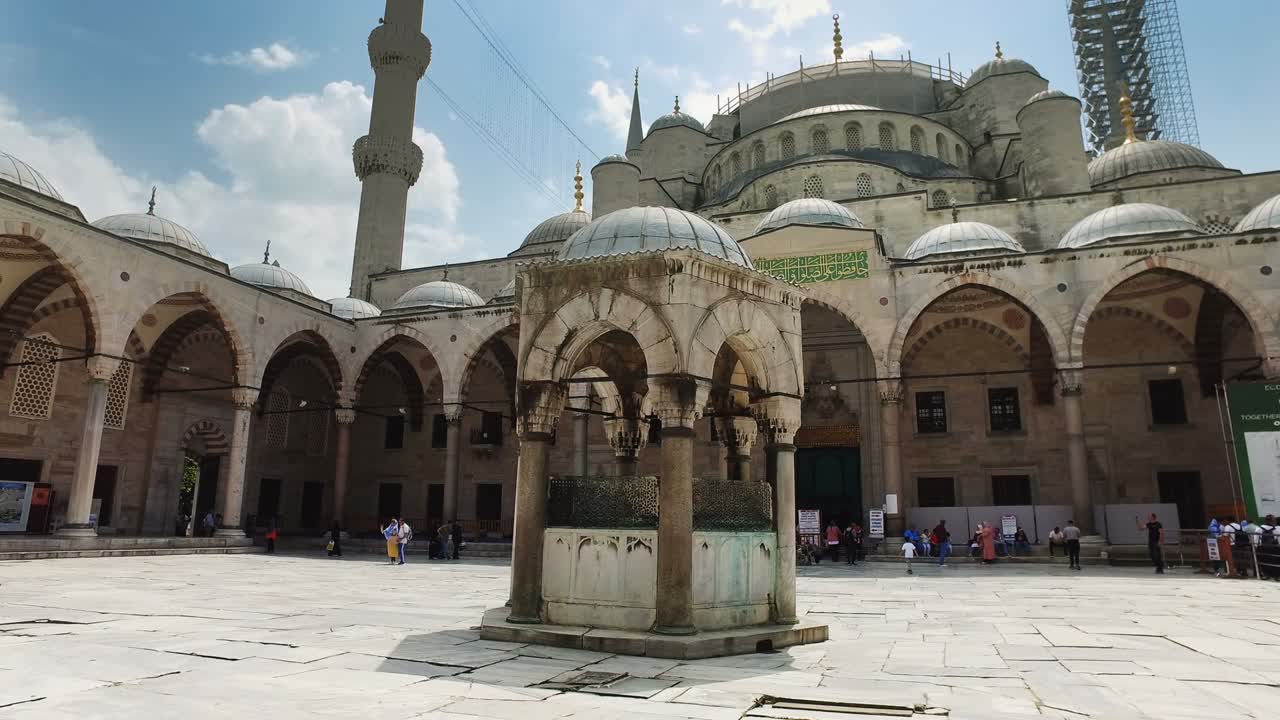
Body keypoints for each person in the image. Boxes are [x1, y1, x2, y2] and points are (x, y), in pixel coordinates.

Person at [1259, 514, 1280, 581]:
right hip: (1274, 548)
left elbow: (1256, 540)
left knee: (1264, 561)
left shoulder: (1259, 529)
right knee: (1275, 561)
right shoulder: (1276, 529)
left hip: (1262, 548)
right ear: (1273, 521)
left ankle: (1266, 575)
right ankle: (1276, 576)